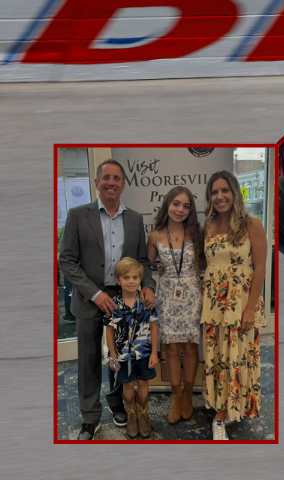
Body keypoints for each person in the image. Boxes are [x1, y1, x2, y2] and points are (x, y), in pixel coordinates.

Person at [59, 159, 155, 440]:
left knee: (121, 355)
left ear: (123, 185)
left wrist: (146, 284)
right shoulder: (79, 215)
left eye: (116, 178)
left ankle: (117, 404)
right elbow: (67, 260)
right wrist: (96, 293)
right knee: (89, 359)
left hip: (125, 301)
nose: (111, 182)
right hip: (90, 299)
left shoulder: (135, 219)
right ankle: (90, 418)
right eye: (106, 178)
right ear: (97, 183)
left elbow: (141, 261)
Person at [201, 171, 267, 440]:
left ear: (235, 192)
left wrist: (250, 308)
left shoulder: (252, 223)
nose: (219, 197)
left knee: (237, 355)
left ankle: (224, 415)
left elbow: (260, 268)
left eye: (224, 190)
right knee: (217, 356)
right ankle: (220, 406)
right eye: (214, 192)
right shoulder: (208, 223)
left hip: (240, 302)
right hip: (214, 303)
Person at [147, 186, 205, 424]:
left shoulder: (197, 232)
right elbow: (146, 264)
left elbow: (205, 263)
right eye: (176, 204)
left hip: (192, 293)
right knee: (171, 348)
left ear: (190, 210)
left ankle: (189, 396)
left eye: (186, 205)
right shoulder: (155, 235)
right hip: (168, 294)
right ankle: (176, 396)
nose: (180, 210)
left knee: (190, 348)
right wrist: (157, 270)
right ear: (167, 205)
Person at [104, 258, 159, 438]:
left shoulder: (146, 303)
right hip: (123, 356)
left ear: (140, 279)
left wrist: (154, 353)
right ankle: (132, 415)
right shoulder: (113, 305)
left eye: (135, 277)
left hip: (143, 353)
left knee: (143, 382)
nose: (131, 281)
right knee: (127, 384)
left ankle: (143, 416)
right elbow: (110, 332)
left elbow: (154, 327)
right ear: (118, 280)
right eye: (126, 277)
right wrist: (113, 356)